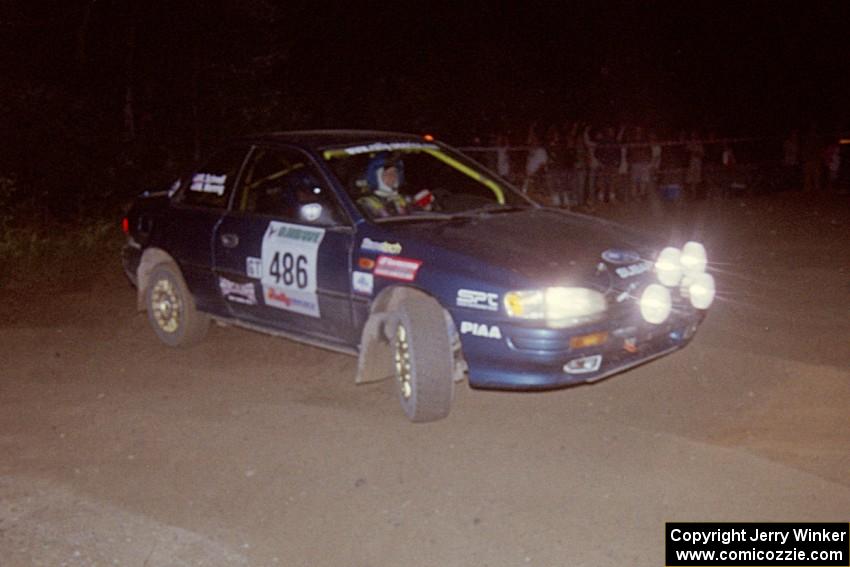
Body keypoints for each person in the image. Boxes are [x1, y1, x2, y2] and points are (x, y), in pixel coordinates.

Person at [358, 153, 410, 218]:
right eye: (386, 173)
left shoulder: (404, 200)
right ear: (376, 178)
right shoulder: (365, 204)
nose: (391, 177)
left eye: (394, 173)